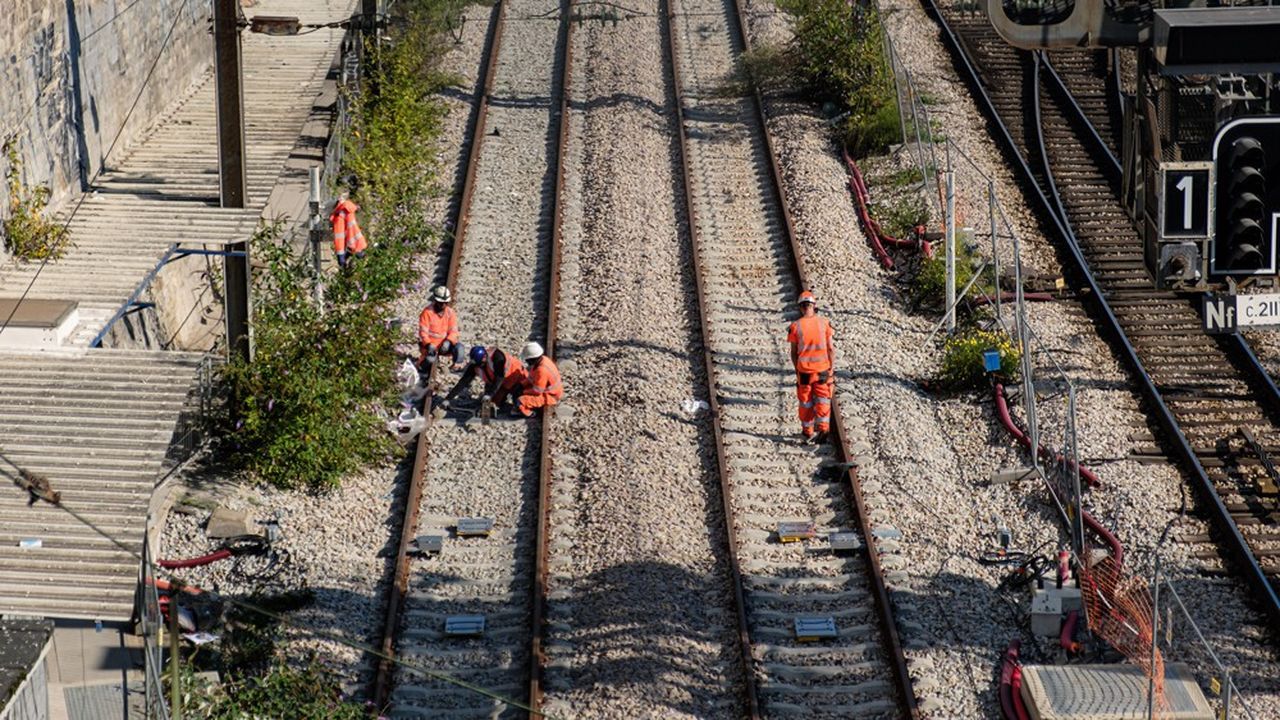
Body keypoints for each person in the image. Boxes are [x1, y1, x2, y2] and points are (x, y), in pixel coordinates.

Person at [787, 289, 835, 444]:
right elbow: (831, 349)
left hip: (805, 371)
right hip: (822, 370)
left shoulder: (796, 326)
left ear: (801, 307)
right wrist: (831, 369)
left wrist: (797, 370)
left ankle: (807, 431)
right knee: (823, 399)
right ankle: (823, 428)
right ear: (814, 306)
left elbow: (793, 353)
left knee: (805, 401)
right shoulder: (825, 324)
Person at [439, 345, 527, 412]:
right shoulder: (476, 364)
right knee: (493, 402)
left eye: (481, 363)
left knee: (519, 403)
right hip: (501, 383)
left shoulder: (497, 358)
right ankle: (501, 399)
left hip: (517, 379)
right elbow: (463, 382)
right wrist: (448, 399)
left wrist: (490, 394)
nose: (480, 366)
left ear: (485, 357)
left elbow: (499, 378)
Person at [418, 285, 463, 370]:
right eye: (441, 302)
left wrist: (448, 341)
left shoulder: (450, 313)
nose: (443, 305)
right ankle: (421, 366)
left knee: (459, 348)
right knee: (429, 360)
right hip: (431, 346)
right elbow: (423, 332)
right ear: (435, 300)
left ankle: (456, 366)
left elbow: (454, 331)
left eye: (446, 303)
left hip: (444, 346)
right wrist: (428, 344)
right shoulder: (427, 313)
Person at [515, 341, 563, 417]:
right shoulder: (542, 360)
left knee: (520, 401)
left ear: (533, 359)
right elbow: (531, 377)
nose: (526, 362)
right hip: (547, 391)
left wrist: (523, 392)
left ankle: (531, 414)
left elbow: (537, 391)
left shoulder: (542, 370)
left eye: (527, 360)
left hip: (550, 396)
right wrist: (522, 384)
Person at [330, 191, 367, 268]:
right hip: (359, 243)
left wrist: (340, 256)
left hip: (353, 246)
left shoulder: (339, 215)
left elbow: (339, 237)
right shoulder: (349, 208)